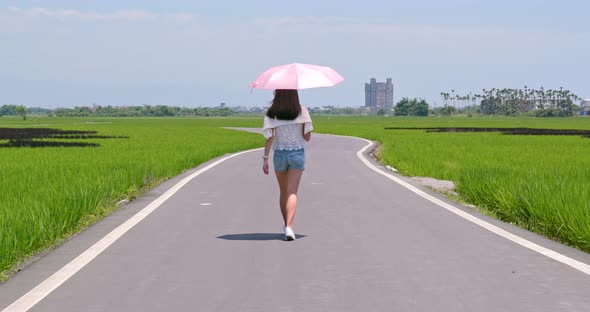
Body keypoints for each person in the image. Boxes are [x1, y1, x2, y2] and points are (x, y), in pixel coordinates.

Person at [262, 89, 313, 241]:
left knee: (283, 191)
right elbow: (307, 137)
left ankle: (286, 225)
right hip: (297, 154)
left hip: (279, 154)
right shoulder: (301, 110)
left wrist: (265, 158)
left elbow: (269, 138)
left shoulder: (272, 112)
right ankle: (289, 227)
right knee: (292, 192)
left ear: (277, 95)